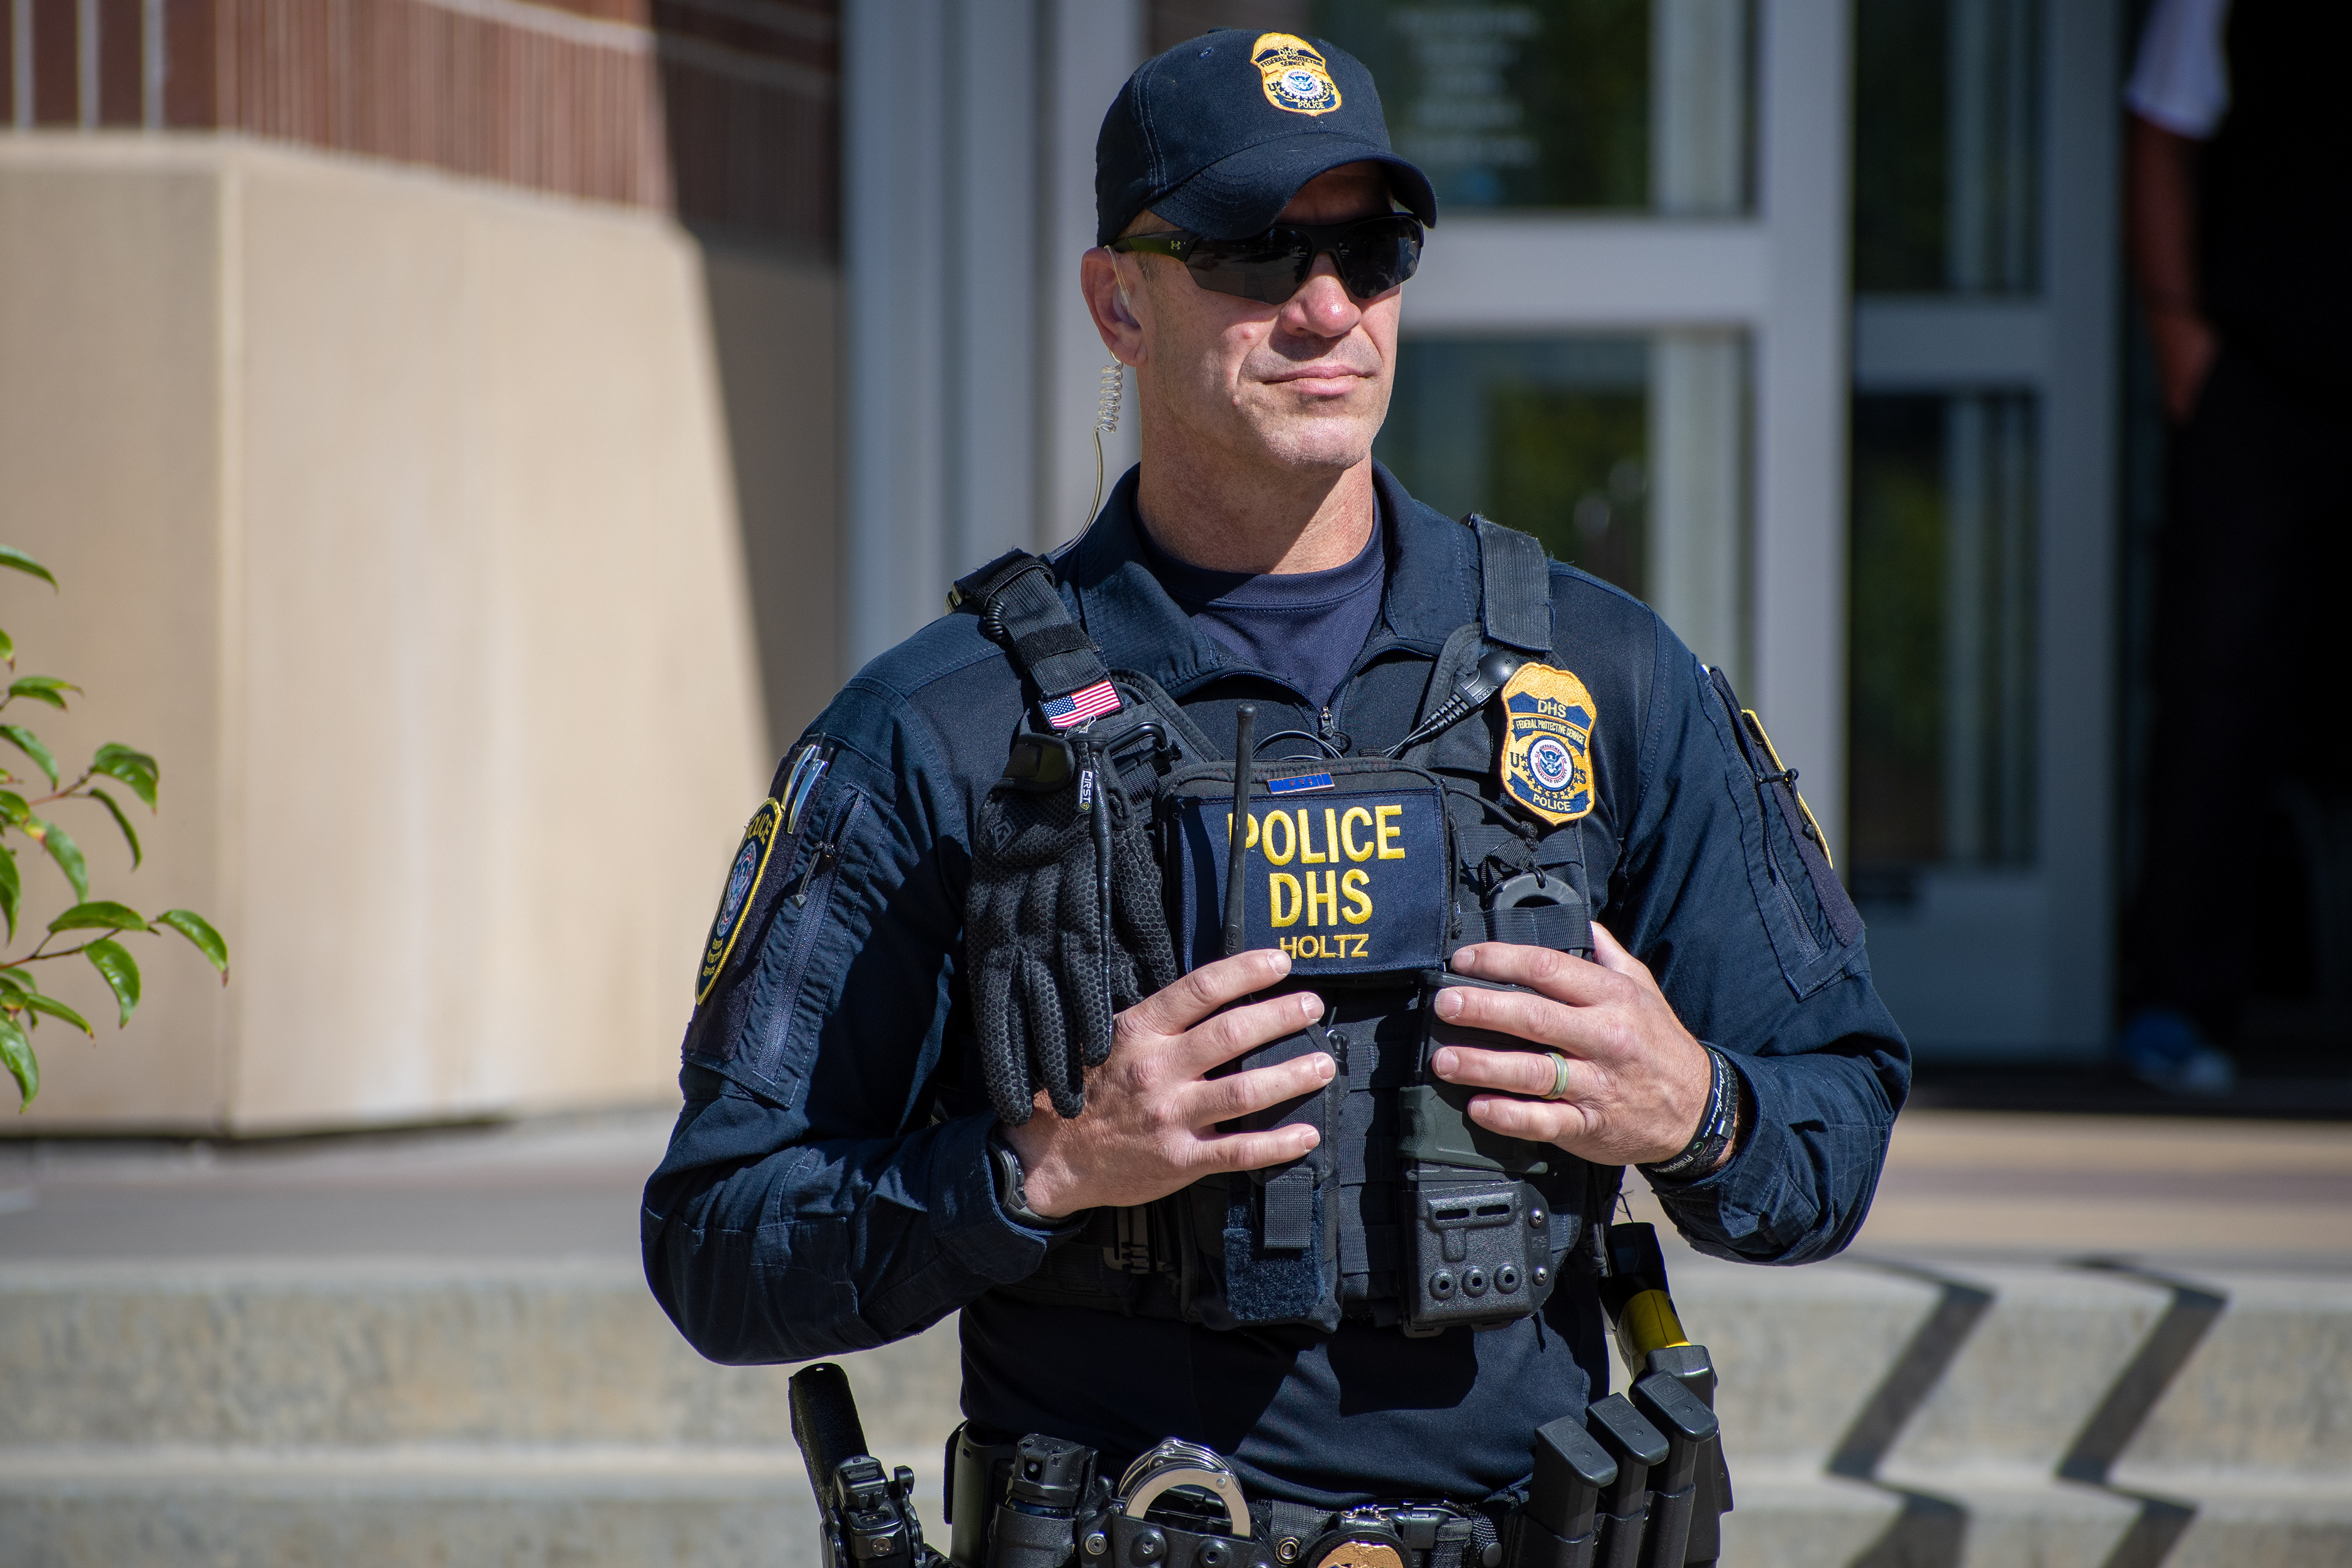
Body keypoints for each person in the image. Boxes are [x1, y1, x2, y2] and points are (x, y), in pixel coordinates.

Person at [643, 26, 1905, 1539]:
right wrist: (1039, 1167)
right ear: (1120, 300)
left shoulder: (1605, 676)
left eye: (1371, 251)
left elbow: (1834, 1120)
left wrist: (1690, 1105)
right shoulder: (947, 726)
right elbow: (719, 1235)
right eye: (1253, 251)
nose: (1325, 308)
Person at [2120, 0, 2352, 1091]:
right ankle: (2180, 1006)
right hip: (2263, 377)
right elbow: (2162, 129)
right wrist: (2180, 338)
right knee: (2219, 690)